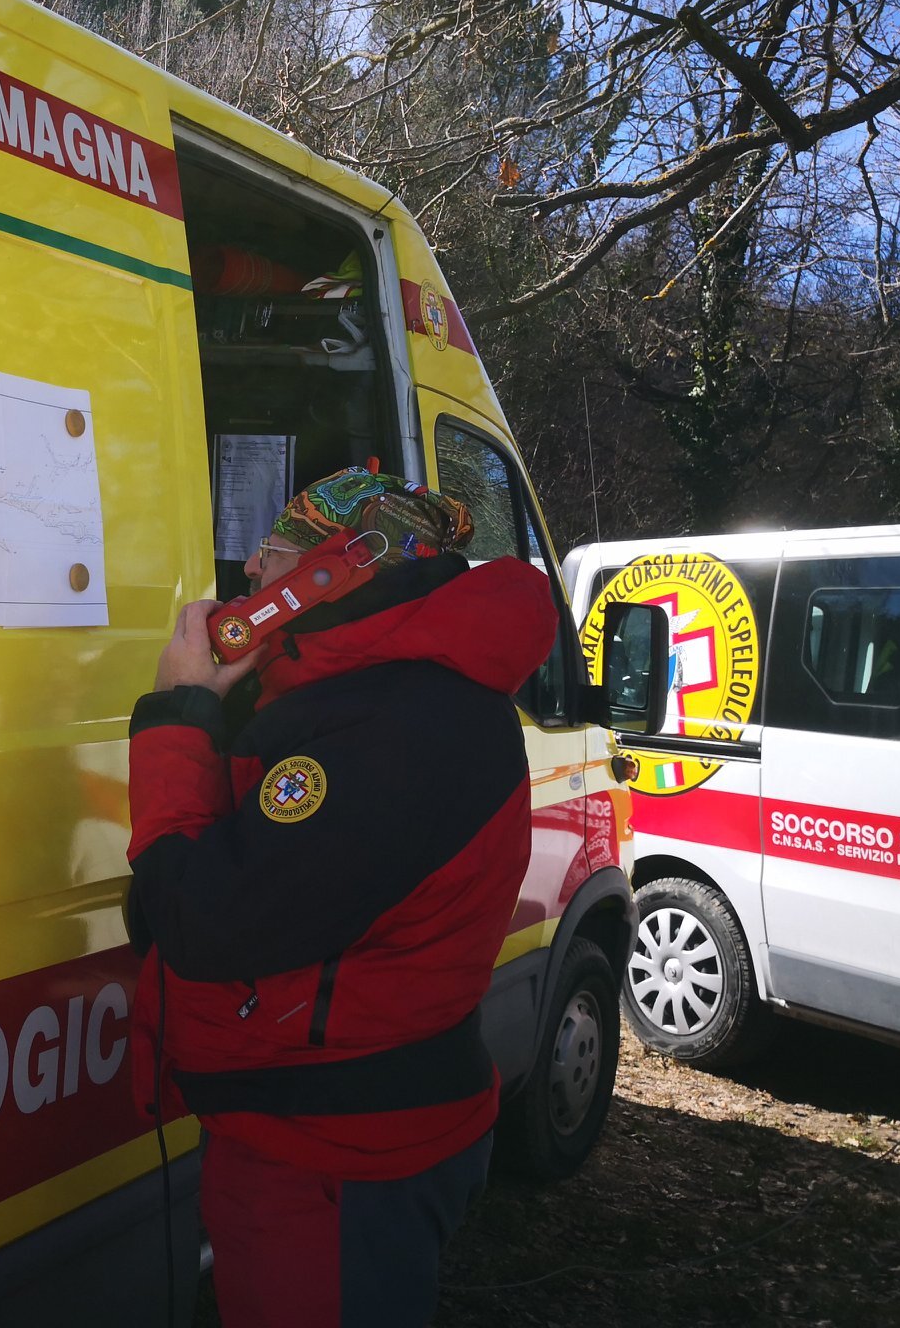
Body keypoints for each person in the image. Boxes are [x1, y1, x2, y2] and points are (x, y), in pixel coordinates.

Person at [124, 462, 557, 1327]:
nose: (250, 569)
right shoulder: (381, 696)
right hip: (339, 1136)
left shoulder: (392, 728)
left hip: (334, 1160)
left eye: (277, 553)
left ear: (338, 571)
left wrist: (178, 716)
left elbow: (200, 919)